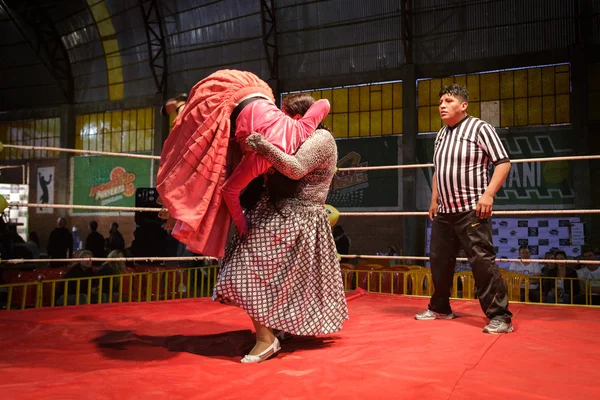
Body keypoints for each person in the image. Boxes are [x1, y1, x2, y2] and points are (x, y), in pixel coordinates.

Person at [213, 94, 348, 363]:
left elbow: (296, 169)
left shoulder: (320, 139)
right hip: (276, 211)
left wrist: (265, 147)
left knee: (244, 270)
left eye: (283, 115)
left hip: (299, 217)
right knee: (264, 274)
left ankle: (266, 338)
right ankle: (274, 329)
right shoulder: (290, 136)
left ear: (298, 118)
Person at [156, 69, 330, 259]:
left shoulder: (299, 129)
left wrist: (305, 123)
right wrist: (242, 227)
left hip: (254, 88)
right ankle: (181, 105)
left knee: (214, 161)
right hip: (221, 100)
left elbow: (324, 103)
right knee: (202, 158)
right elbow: (229, 191)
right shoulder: (261, 159)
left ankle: (182, 106)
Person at [415, 84, 514, 334]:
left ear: (463, 105)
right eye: (440, 102)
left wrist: (488, 194)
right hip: (444, 211)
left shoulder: (481, 128)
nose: (442, 106)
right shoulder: (441, 134)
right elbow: (439, 170)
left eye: (448, 101)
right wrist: (434, 199)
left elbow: (503, 163)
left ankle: (500, 316)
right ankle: (440, 308)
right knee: (438, 261)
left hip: (472, 208)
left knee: (482, 262)